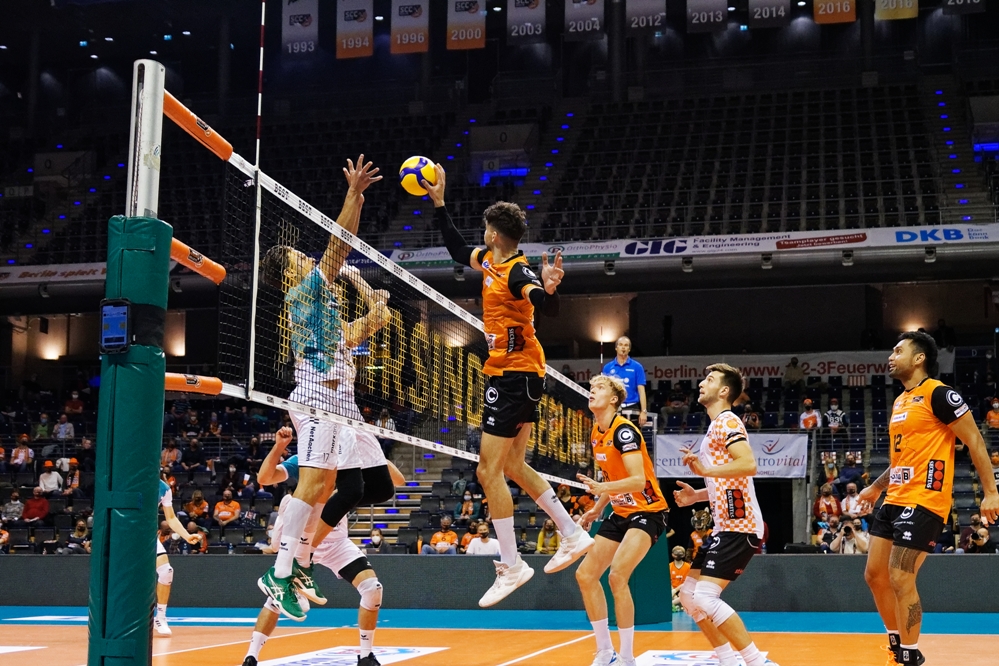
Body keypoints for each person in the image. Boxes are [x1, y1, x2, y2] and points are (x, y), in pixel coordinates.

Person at [426, 162, 593, 607]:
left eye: (486, 229)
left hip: (514, 374)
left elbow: (545, 307)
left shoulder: (518, 272)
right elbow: (456, 249)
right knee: (515, 466)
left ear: (495, 235)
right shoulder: (489, 261)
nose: (482, 235)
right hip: (518, 372)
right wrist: (439, 202)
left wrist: (550, 289)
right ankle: (572, 533)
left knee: (488, 471)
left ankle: (512, 563)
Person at [255, 155, 383, 621]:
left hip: (337, 402)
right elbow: (338, 245)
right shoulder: (305, 289)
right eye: (297, 256)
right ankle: (280, 572)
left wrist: (372, 309)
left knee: (328, 483)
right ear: (290, 272)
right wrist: (354, 194)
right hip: (316, 399)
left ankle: (301, 562)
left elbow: (361, 327)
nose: (305, 256)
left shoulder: (320, 301)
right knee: (311, 485)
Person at [858, 331, 999, 666]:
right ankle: (896, 641)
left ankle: (911, 654)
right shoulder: (901, 401)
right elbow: (901, 459)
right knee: (875, 576)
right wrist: (876, 487)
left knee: (900, 576)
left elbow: (975, 441)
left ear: (919, 358)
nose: (891, 356)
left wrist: (991, 491)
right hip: (894, 499)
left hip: (925, 500)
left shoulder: (939, 394)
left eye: (898, 351)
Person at [244, 434, 403, 666]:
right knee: (276, 601)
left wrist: (371, 453)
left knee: (372, 588)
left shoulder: (350, 458)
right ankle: (251, 656)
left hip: (336, 542)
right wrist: (278, 447)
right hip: (304, 540)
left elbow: (397, 481)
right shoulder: (308, 457)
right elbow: (265, 478)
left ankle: (366, 656)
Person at [674, 364, 773, 666]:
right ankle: (727, 659)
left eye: (710, 379)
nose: (701, 383)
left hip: (741, 526)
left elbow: (748, 464)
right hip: (724, 526)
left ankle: (756, 662)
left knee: (705, 597)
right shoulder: (715, 426)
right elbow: (728, 480)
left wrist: (706, 470)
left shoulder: (728, 421)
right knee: (688, 597)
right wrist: (697, 495)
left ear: (724, 391)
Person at [574, 374, 669, 666]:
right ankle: (605, 652)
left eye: (599, 388)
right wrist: (597, 508)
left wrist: (602, 488)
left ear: (614, 399)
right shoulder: (596, 432)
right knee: (585, 575)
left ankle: (627, 658)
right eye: (591, 387)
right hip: (621, 511)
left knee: (617, 576)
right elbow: (613, 477)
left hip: (648, 511)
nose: (592, 391)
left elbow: (638, 480)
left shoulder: (624, 432)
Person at [154, 475, 200, 636]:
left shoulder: (163, 488)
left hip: (146, 537)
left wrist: (187, 536)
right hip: (124, 536)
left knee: (166, 571)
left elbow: (171, 518)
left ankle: (160, 617)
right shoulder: (129, 481)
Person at [601, 336, 649, 428]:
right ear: (616, 348)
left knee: (632, 435)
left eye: (626, 345)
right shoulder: (607, 367)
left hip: (632, 407)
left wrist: (644, 411)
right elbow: (604, 390)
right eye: (621, 345)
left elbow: (641, 390)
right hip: (614, 407)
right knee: (613, 434)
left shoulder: (637, 367)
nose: (623, 347)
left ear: (629, 349)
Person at [669, 546, 692, 611]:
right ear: (672, 554)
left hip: (683, 590)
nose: (678, 555)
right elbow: (669, 581)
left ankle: (671, 604)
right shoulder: (669, 566)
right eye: (676, 553)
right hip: (671, 590)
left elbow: (687, 582)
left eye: (680, 553)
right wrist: (673, 593)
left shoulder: (688, 566)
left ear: (684, 555)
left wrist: (675, 590)